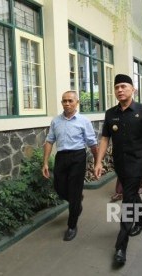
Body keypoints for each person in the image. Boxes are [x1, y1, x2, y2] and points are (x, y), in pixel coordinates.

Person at [94, 74, 142, 265]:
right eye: (117, 87)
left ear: (133, 89)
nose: (120, 90)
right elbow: (105, 138)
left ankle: (121, 246)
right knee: (131, 193)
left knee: (127, 199)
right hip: (119, 162)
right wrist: (98, 162)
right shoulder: (110, 113)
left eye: (123, 86)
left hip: (137, 161)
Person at [42, 90, 98, 241]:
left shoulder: (84, 121)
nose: (67, 103)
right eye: (64, 101)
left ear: (77, 103)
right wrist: (45, 163)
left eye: (70, 101)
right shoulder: (56, 121)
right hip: (61, 157)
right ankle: (77, 201)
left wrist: (97, 163)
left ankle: (72, 225)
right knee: (59, 188)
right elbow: (49, 141)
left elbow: (92, 143)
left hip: (78, 157)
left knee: (73, 192)